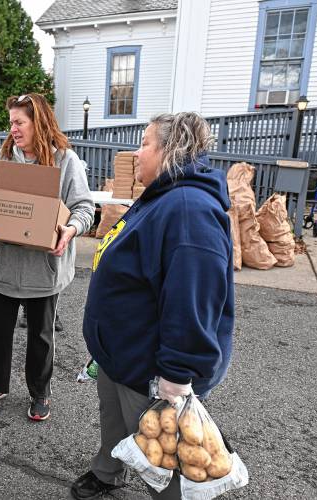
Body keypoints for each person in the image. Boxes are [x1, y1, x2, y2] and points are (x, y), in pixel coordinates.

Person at [71, 112, 234, 499]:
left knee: (162, 458)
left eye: (144, 143)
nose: (137, 152)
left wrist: (176, 378)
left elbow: (191, 303)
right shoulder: (161, 196)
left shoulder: (187, 211)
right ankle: (108, 471)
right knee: (115, 422)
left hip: (151, 366)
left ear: (169, 149)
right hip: (120, 354)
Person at [0, 93, 94, 421]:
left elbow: (84, 207)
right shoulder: (2, 157)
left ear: (38, 122)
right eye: (11, 122)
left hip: (44, 269)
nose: (13, 128)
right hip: (5, 268)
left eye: (19, 122)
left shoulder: (66, 160)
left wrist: (70, 230)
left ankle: (40, 392)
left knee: (41, 337)